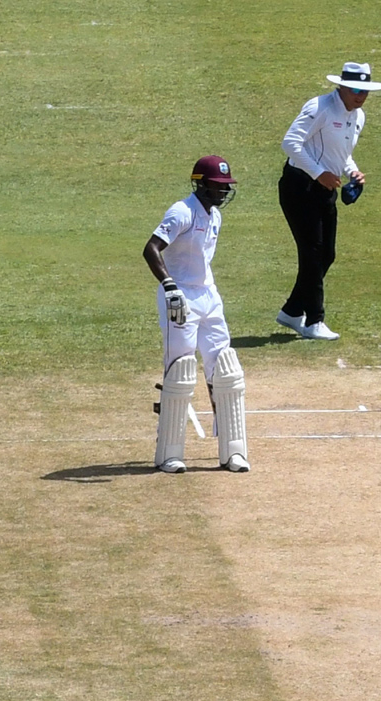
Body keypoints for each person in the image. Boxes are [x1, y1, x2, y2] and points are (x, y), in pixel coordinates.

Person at [143, 155, 250, 474]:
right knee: (181, 369)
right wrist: (170, 286)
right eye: (218, 187)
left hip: (208, 295)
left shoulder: (215, 216)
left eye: (226, 187)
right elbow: (151, 248)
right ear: (201, 184)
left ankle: (233, 452)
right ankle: (169, 453)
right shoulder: (182, 211)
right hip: (180, 297)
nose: (223, 193)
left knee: (226, 369)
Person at [275, 61, 381, 341]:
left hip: (325, 188)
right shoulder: (319, 107)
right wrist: (318, 173)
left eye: (365, 91)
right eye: (356, 89)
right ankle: (314, 320)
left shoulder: (358, 116)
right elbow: (291, 143)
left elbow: (341, 151)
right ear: (342, 87)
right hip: (300, 186)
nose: (361, 96)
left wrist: (351, 171)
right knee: (312, 253)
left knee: (326, 255)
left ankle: (292, 310)